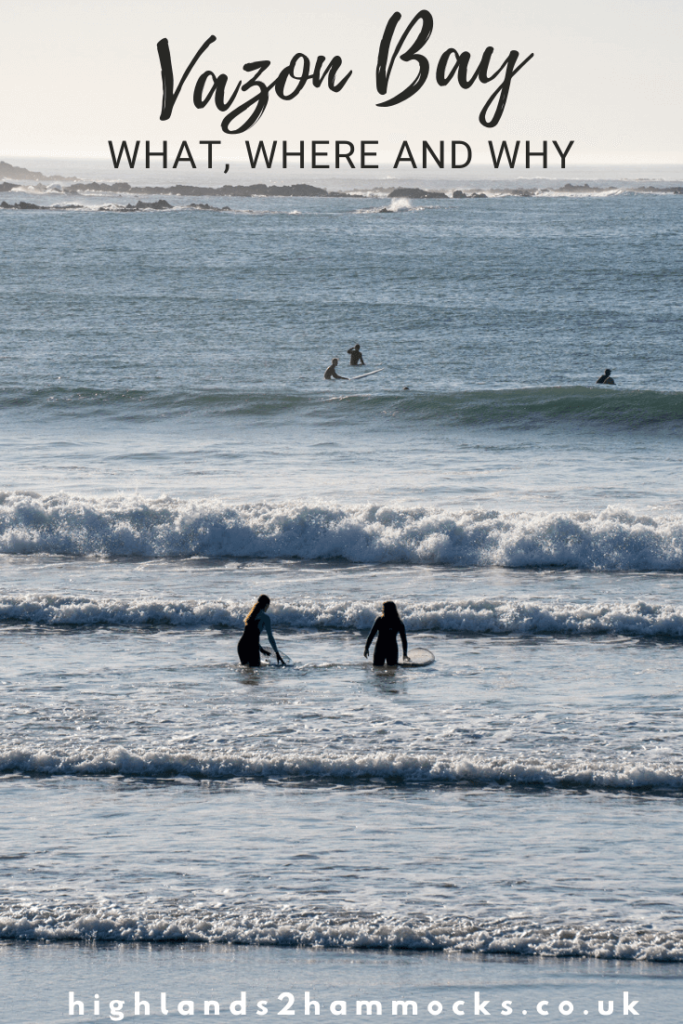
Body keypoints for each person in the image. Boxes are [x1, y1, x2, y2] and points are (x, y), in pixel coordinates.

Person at [238, 594, 285, 667]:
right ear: (266, 605)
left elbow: (250, 637)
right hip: (252, 647)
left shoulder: (250, 617)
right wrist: (277, 653)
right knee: (255, 674)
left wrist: (261, 649)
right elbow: (270, 637)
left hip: (242, 646)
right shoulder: (265, 618)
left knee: (246, 672)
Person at [364, 601, 408, 666]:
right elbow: (371, 635)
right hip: (380, 649)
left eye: (384, 609)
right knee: (377, 670)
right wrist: (366, 648)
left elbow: (404, 640)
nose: (383, 611)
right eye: (383, 609)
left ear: (390, 610)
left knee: (392, 671)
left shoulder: (398, 623)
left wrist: (405, 653)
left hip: (391, 650)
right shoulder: (380, 620)